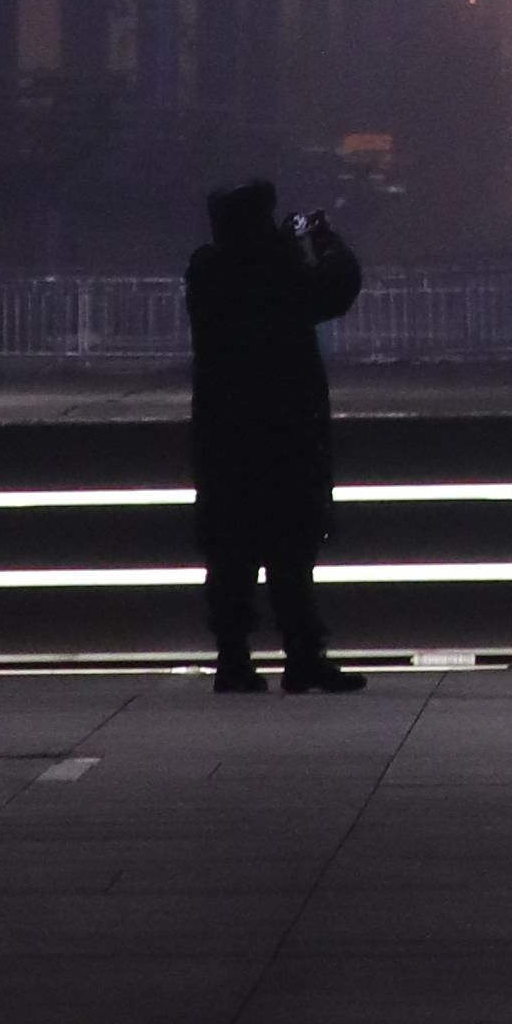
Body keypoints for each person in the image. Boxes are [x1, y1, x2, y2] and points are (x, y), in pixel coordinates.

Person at [188, 176, 365, 693]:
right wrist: (321, 238)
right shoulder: (276, 267)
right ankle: (303, 657)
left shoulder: (207, 271)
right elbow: (335, 287)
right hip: (285, 430)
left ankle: (233, 659)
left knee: (230, 553)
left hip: (224, 437)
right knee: (291, 552)